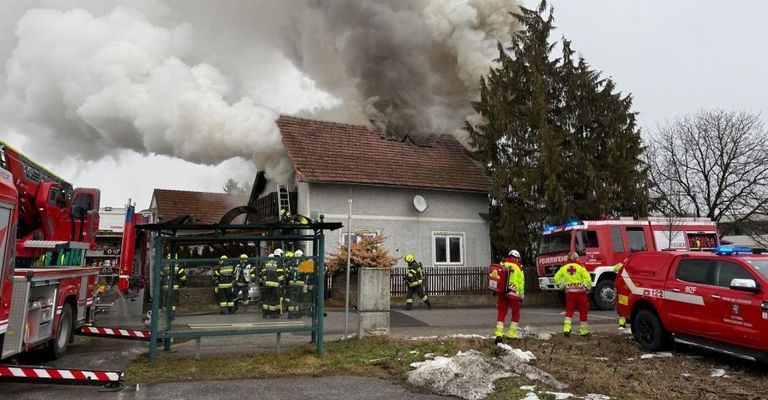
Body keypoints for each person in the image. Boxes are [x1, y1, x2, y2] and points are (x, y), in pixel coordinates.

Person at [554, 252, 593, 337]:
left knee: (569, 311)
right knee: (583, 311)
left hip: (569, 294)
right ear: (575, 258)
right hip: (581, 294)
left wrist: (562, 285)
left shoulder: (563, 267)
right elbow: (588, 278)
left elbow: (556, 278)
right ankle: (584, 332)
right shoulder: (580, 266)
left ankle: (566, 329)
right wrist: (589, 287)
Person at [494, 250, 525, 344]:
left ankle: (499, 334)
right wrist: (522, 295)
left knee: (501, 312)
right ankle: (512, 333)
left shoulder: (502, 264)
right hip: (514, 294)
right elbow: (521, 282)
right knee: (516, 313)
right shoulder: (519, 267)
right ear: (517, 258)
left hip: (503, 292)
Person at [160, 253, 187, 320]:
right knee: (172, 301)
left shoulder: (164, 266)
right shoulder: (178, 267)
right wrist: (184, 284)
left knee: (165, 301)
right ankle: (171, 315)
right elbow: (183, 278)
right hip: (174, 287)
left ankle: (165, 315)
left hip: (165, 287)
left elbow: (160, 276)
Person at [613, 260, 627, 328]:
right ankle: (622, 322)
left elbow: (615, 269)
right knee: (623, 303)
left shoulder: (623, 264)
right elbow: (615, 269)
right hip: (624, 286)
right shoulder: (626, 264)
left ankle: (622, 322)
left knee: (622, 304)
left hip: (622, 286)